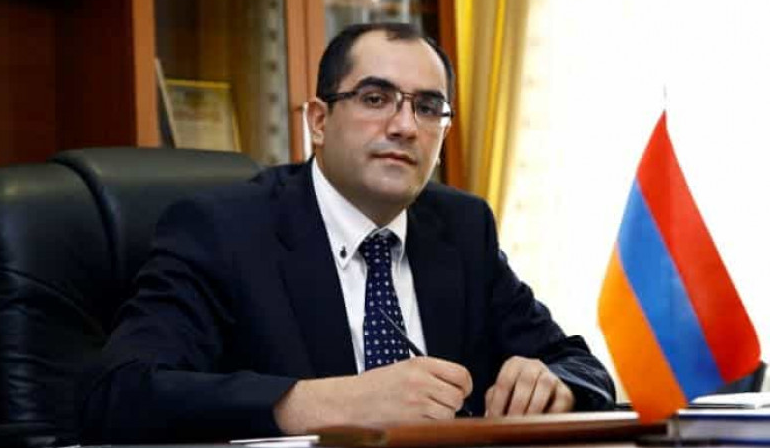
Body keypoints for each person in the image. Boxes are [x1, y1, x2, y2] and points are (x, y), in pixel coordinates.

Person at [79, 23, 615, 443]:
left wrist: (554, 386)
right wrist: (326, 403)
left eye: (428, 107)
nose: (404, 126)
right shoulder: (223, 229)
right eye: (375, 99)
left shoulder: (462, 228)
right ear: (318, 121)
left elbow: (583, 367)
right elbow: (119, 393)